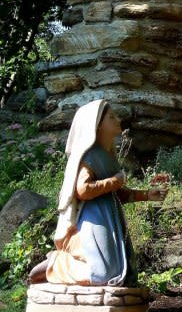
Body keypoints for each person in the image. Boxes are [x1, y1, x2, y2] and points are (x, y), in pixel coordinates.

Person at [28, 99, 167, 286]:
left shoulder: (108, 154)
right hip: (94, 217)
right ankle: (57, 263)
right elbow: (83, 190)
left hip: (110, 216)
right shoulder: (90, 155)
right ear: (97, 125)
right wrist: (114, 181)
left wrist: (146, 195)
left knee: (124, 274)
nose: (117, 119)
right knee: (103, 274)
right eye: (111, 117)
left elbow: (117, 192)